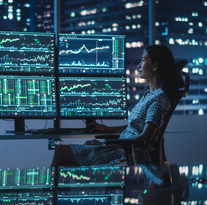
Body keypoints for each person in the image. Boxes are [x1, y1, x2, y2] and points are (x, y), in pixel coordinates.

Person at [51, 45, 183, 167]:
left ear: (155, 66)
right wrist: (106, 129)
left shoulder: (159, 99)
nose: (138, 65)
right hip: (124, 148)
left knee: (61, 151)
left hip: (125, 154)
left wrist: (117, 144)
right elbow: (136, 127)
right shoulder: (150, 94)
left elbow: (144, 138)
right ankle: (65, 190)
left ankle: (46, 191)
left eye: (143, 60)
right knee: (81, 150)